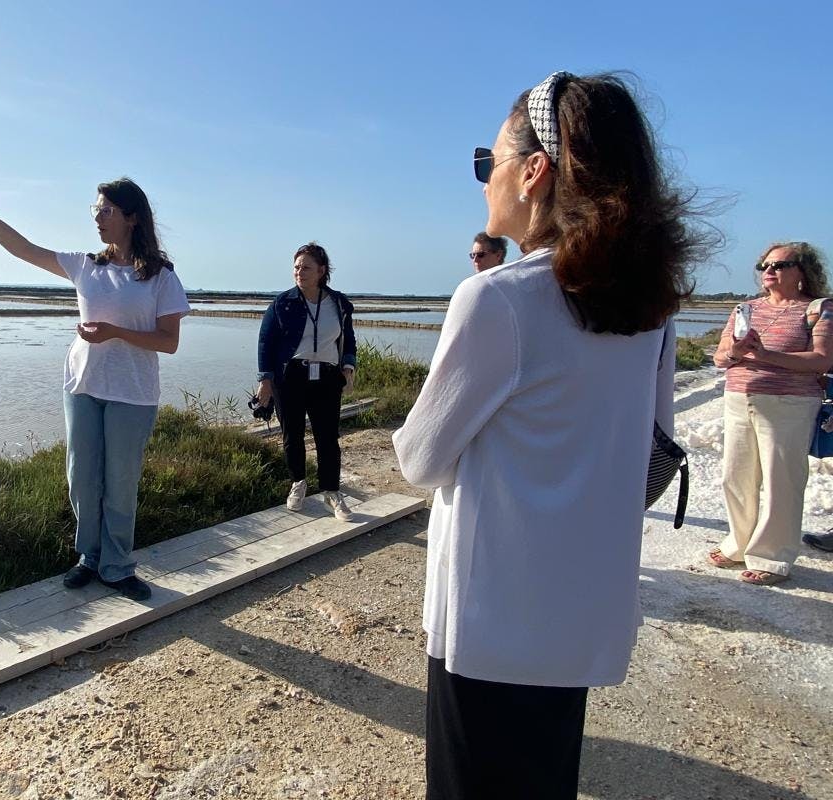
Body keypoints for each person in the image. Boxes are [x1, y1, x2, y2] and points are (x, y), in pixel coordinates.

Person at [393, 71, 704, 799]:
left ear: (534, 173)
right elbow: (655, 450)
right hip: (583, 615)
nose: (483, 180)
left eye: (487, 161)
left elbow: (419, 457)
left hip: (490, 621)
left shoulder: (497, 299)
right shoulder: (649, 309)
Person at [0, 178, 189, 602]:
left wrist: (114, 332)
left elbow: (168, 342)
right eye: (95, 210)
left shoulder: (159, 277)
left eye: (106, 211)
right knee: (81, 478)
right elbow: (23, 249)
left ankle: (118, 566)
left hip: (132, 394)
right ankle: (89, 558)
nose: (97, 218)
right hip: (82, 385)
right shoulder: (86, 265)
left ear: (131, 218)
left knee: (120, 484)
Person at [710, 242, 833, 585]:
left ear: (802, 271)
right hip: (738, 398)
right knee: (735, 477)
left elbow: (822, 360)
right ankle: (738, 544)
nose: (769, 271)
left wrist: (763, 356)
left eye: (779, 265)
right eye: (764, 264)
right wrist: (734, 351)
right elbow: (720, 358)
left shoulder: (818, 309)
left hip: (790, 404)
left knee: (782, 481)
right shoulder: (744, 308)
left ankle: (772, 556)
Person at [256, 243, 358, 522]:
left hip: (327, 377)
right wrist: (265, 380)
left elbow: (347, 338)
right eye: (297, 267)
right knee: (292, 433)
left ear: (321, 271)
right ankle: (298, 483)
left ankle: (332, 492)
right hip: (291, 377)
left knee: (328, 437)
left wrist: (348, 367)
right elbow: (266, 343)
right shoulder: (282, 303)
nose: (300, 272)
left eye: (306, 267)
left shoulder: (338, 303)